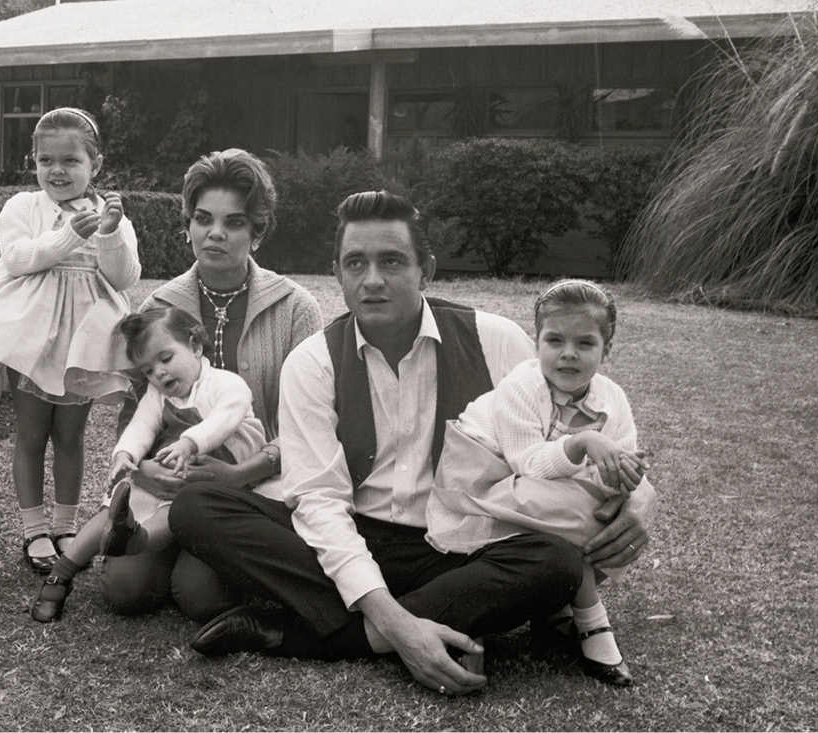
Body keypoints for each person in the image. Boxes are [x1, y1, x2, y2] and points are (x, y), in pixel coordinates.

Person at [169, 190, 654, 695]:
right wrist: (401, 628)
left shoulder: (496, 340)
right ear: (337, 272)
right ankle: (426, 618)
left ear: (427, 270)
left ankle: (302, 634)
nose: (372, 280)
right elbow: (320, 502)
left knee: (555, 562)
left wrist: (641, 495)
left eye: (392, 261)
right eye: (356, 262)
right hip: (354, 533)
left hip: (462, 546)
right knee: (197, 505)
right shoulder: (314, 362)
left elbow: (575, 434)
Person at [99, 148, 323, 621]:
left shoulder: (296, 308)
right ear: (189, 224)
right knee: (125, 590)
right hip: (170, 480)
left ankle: (202, 551)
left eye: (234, 222)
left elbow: (315, 422)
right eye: (203, 219)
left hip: (256, 480)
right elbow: (134, 413)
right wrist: (143, 472)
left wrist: (243, 474)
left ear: (257, 233)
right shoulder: (161, 304)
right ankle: (171, 539)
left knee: (199, 595)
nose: (215, 233)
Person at [0, 107, 139, 574]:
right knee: (31, 432)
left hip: (83, 340)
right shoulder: (23, 207)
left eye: (71, 161)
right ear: (34, 161)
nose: (57, 171)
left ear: (95, 165)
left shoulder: (111, 215)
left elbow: (123, 278)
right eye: (47, 161)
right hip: (35, 336)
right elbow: (18, 258)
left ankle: (65, 526)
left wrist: (108, 234)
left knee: (70, 435)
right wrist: (63, 239)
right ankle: (33, 530)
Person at [425, 278, 657, 687]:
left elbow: (619, 462)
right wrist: (584, 440)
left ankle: (557, 604)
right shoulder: (522, 385)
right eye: (554, 340)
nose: (567, 354)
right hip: (479, 481)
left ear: (607, 349)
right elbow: (527, 463)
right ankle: (590, 617)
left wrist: (627, 473)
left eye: (585, 344)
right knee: (575, 509)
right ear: (537, 343)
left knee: (612, 512)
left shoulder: (612, 397)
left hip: (538, 491)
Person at [30, 307, 266, 623]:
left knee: (175, 512)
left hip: (213, 486)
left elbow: (225, 419)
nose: (159, 374)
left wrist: (189, 443)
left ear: (196, 346)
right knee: (117, 508)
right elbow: (142, 425)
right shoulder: (156, 395)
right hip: (169, 476)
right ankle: (61, 575)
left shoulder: (227, 384)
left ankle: (138, 539)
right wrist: (125, 454)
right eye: (148, 371)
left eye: (165, 359)